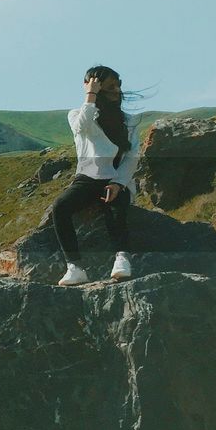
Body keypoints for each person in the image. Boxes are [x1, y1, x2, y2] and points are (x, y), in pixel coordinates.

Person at [53, 65, 140, 286]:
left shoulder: (130, 121)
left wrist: (119, 183)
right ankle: (75, 267)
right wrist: (90, 96)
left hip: (114, 178)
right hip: (87, 178)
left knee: (116, 208)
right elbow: (82, 128)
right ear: (96, 87)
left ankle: (122, 258)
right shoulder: (78, 115)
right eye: (110, 86)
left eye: (118, 85)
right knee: (60, 207)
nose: (117, 91)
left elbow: (132, 157)